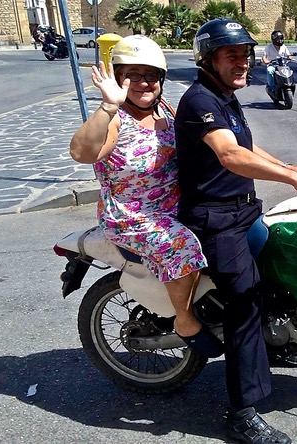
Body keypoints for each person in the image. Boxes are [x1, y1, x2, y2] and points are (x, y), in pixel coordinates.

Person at [175, 18, 297, 444]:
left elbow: (245, 144)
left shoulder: (225, 96)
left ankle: (279, 344)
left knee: (278, 271)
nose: (242, 63)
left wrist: (287, 166)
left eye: (245, 55)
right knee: (245, 302)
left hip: (243, 212)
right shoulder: (199, 99)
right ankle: (241, 413)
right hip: (215, 220)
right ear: (209, 59)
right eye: (231, 55)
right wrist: (293, 182)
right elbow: (228, 154)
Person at [68, 35, 222, 359]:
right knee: (183, 245)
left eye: (151, 75)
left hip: (176, 204)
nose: (143, 83)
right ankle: (185, 321)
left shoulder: (164, 110)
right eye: (133, 75)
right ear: (119, 77)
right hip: (132, 216)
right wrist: (108, 105)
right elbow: (81, 152)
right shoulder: (115, 120)